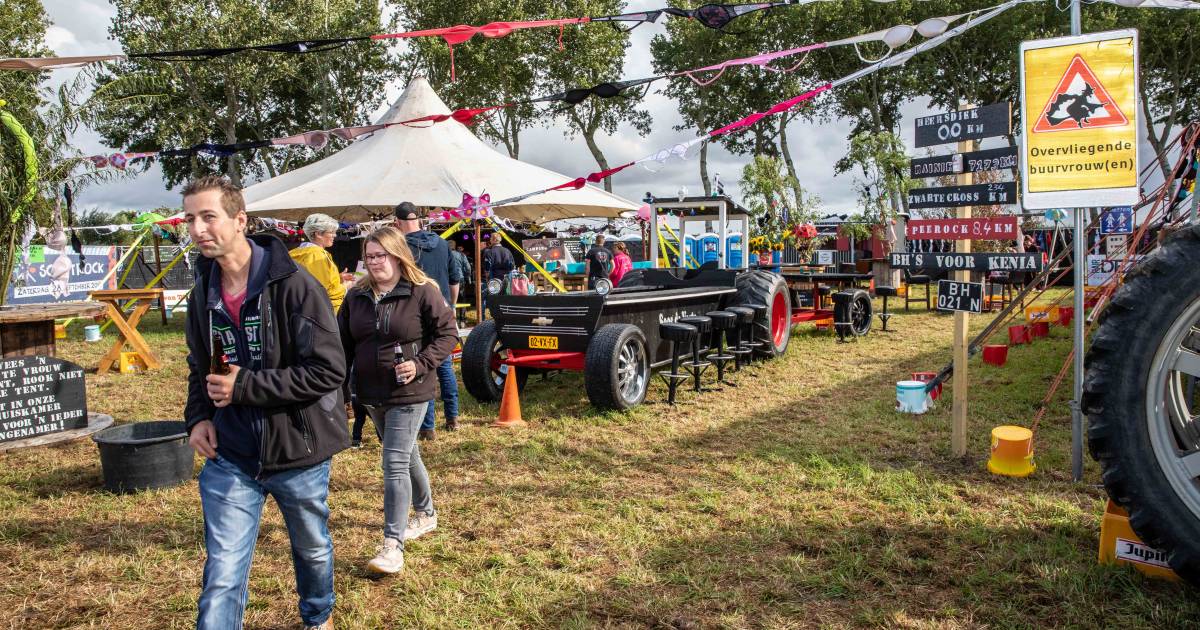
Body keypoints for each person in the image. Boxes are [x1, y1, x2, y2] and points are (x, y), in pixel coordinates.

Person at [182, 175, 348, 630]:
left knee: (311, 547)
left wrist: (245, 387)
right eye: (191, 219)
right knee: (222, 573)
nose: (197, 229)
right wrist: (197, 418)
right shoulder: (204, 292)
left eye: (208, 216)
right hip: (232, 454)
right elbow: (200, 365)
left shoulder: (296, 287)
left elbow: (328, 371)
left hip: (298, 450)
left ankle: (318, 616)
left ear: (240, 220)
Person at [337, 226, 459, 575]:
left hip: (411, 392)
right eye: (369, 257)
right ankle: (427, 513)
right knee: (407, 455)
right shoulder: (356, 296)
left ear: (397, 255)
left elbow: (448, 333)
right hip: (372, 394)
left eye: (381, 256)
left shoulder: (421, 291)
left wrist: (420, 364)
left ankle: (392, 545)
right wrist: (340, 387)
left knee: (393, 462)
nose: (374, 262)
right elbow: (341, 344)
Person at [394, 202, 463, 438]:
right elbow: (455, 280)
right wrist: (450, 306)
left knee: (425, 365)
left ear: (397, 223)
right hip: (442, 307)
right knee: (444, 364)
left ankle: (427, 428)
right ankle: (453, 418)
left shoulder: (401, 246)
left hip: (417, 310)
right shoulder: (442, 244)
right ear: (419, 220)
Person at [289, 213, 353, 312]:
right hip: (326, 314)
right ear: (318, 234)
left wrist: (337, 277)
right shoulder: (316, 255)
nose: (334, 235)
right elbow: (322, 292)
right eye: (331, 232)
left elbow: (313, 281)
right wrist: (345, 287)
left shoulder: (299, 253)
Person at [481, 233, 515, 316]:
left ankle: (495, 317)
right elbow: (512, 266)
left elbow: (487, 267)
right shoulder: (507, 251)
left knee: (493, 299)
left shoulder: (489, 252)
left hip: (494, 279)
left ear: (492, 240)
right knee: (505, 299)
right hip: (507, 279)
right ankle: (506, 316)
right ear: (500, 240)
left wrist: (487, 277)